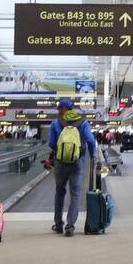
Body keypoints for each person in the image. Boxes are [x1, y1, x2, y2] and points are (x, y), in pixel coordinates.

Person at [47, 98, 97, 237]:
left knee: (60, 192)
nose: (58, 111)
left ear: (63, 109)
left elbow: (51, 143)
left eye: (59, 108)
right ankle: (70, 226)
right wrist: (92, 155)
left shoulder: (56, 123)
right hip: (77, 162)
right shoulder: (82, 122)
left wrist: (60, 151)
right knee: (75, 194)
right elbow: (91, 140)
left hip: (60, 162)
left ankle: (58, 224)